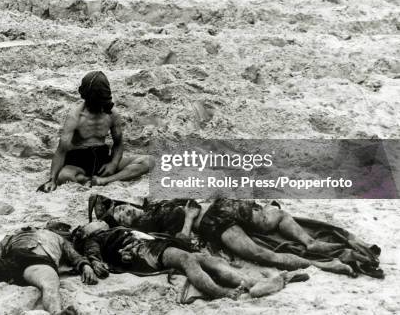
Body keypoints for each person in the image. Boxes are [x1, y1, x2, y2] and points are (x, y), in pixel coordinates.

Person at [89, 195, 376, 277]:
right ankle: (325, 264)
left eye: (125, 208)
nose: (126, 213)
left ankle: (309, 242)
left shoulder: (154, 205)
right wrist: (189, 219)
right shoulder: (150, 229)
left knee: (269, 219)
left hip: (218, 206)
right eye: (121, 216)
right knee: (262, 254)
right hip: (212, 224)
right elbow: (184, 242)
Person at [73, 202, 308, 300]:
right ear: (85, 233)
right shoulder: (94, 239)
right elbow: (92, 256)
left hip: (151, 245)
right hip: (143, 250)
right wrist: (92, 264)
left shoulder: (115, 229)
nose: (96, 223)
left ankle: (249, 282)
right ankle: (222, 293)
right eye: (89, 225)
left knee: (204, 259)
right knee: (187, 260)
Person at [39, 71, 153, 192]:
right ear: (86, 97)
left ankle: (103, 181)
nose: (98, 105)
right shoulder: (75, 116)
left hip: (102, 160)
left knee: (149, 161)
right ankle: (86, 180)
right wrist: (52, 179)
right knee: (63, 176)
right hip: (79, 162)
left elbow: (118, 144)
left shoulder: (112, 113)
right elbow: (61, 150)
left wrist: (113, 164)